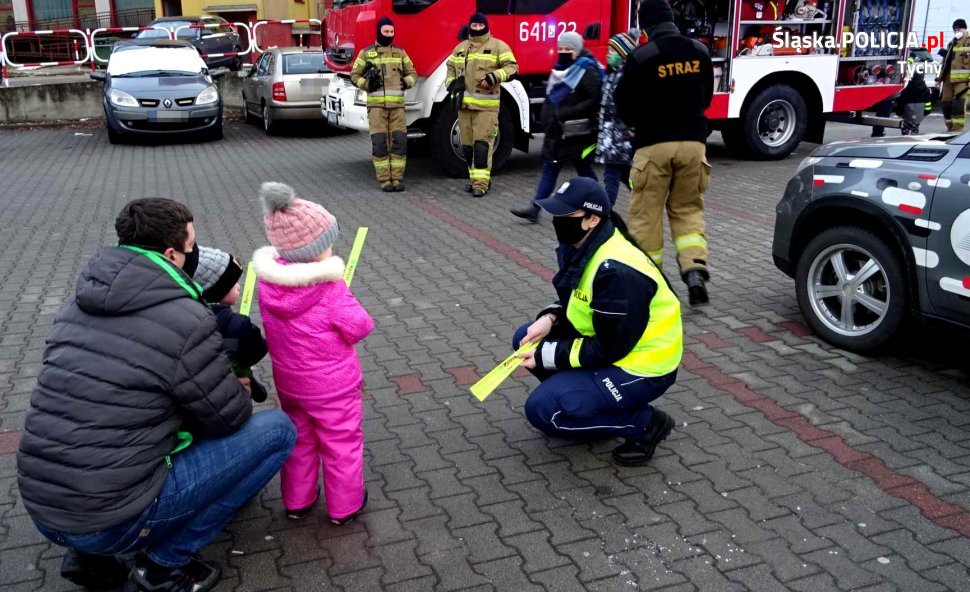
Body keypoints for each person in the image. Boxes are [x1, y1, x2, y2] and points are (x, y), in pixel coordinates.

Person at [16, 198, 296, 592]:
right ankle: (164, 566)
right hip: (110, 519)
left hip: (45, 511)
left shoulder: (76, 305)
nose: (194, 253)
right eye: (191, 246)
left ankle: (90, 557)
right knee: (277, 431)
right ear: (171, 254)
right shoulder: (186, 318)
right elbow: (229, 418)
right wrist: (236, 388)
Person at [511, 177, 682, 467]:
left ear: (592, 219)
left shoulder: (616, 269)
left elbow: (609, 347)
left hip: (643, 366)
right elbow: (578, 299)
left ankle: (645, 424)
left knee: (542, 410)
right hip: (614, 346)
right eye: (556, 213)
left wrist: (546, 355)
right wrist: (550, 318)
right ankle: (588, 408)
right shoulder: (584, 244)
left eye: (566, 215)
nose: (557, 220)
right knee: (525, 338)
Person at [253, 182, 375, 525]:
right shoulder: (331, 290)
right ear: (314, 249)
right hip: (333, 386)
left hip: (291, 383)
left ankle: (297, 501)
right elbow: (360, 327)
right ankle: (345, 506)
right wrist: (345, 294)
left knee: (300, 441)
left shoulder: (269, 284)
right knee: (341, 443)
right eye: (328, 242)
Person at [615, 0, 714, 306]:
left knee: (647, 215)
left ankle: (650, 283)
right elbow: (707, 97)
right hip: (694, 145)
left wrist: (637, 122)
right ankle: (694, 270)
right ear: (671, 20)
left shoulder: (641, 56)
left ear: (645, 26)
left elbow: (623, 104)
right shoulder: (700, 51)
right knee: (687, 210)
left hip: (654, 146)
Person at [510, 32, 603, 224]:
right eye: (561, 48)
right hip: (558, 134)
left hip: (578, 134)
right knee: (551, 169)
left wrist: (568, 112)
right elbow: (552, 97)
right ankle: (535, 208)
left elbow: (595, 100)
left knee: (584, 169)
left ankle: (601, 204)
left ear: (577, 50)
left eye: (568, 49)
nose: (563, 52)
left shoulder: (588, 70)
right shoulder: (560, 69)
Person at [446, 12, 518, 198]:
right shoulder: (460, 48)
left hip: (486, 108)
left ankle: (481, 184)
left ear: (486, 26)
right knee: (468, 148)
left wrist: (494, 77)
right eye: (474, 25)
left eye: (480, 25)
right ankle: (475, 180)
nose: (477, 28)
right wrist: (452, 84)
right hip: (464, 108)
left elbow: (512, 67)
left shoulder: (498, 46)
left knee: (482, 147)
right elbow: (450, 69)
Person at [195, 246, 270, 403]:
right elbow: (259, 350)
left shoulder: (191, 316)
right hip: (236, 391)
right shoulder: (238, 324)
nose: (239, 286)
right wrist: (247, 328)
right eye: (233, 284)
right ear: (219, 291)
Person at [350, 17, 417, 192]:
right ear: (378, 31)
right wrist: (367, 84)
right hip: (376, 108)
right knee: (379, 143)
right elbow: (354, 76)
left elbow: (413, 73)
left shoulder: (400, 53)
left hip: (397, 108)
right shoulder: (366, 53)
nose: (389, 35)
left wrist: (406, 82)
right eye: (385, 31)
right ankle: (385, 180)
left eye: (391, 32)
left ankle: (397, 178)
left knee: (400, 143)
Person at [596, 30, 639, 206]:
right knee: (623, 174)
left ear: (623, 53)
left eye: (613, 51)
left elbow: (626, 105)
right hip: (611, 135)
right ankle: (646, 196)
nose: (608, 54)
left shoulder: (626, 76)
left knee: (611, 175)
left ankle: (605, 213)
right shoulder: (612, 73)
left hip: (619, 135)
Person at [937, 19, 969, 132]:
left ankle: (957, 130)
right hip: (948, 79)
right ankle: (950, 129)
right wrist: (939, 78)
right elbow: (945, 62)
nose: (957, 31)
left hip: (963, 81)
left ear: (965, 28)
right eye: (955, 29)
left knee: (958, 105)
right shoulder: (952, 43)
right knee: (946, 104)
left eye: (959, 29)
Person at [895, 56, 932, 136]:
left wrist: (899, 111)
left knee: (906, 125)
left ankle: (905, 133)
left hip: (908, 110)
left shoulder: (907, 89)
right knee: (915, 125)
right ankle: (914, 133)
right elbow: (928, 103)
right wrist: (926, 112)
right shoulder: (925, 90)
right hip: (919, 111)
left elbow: (901, 101)